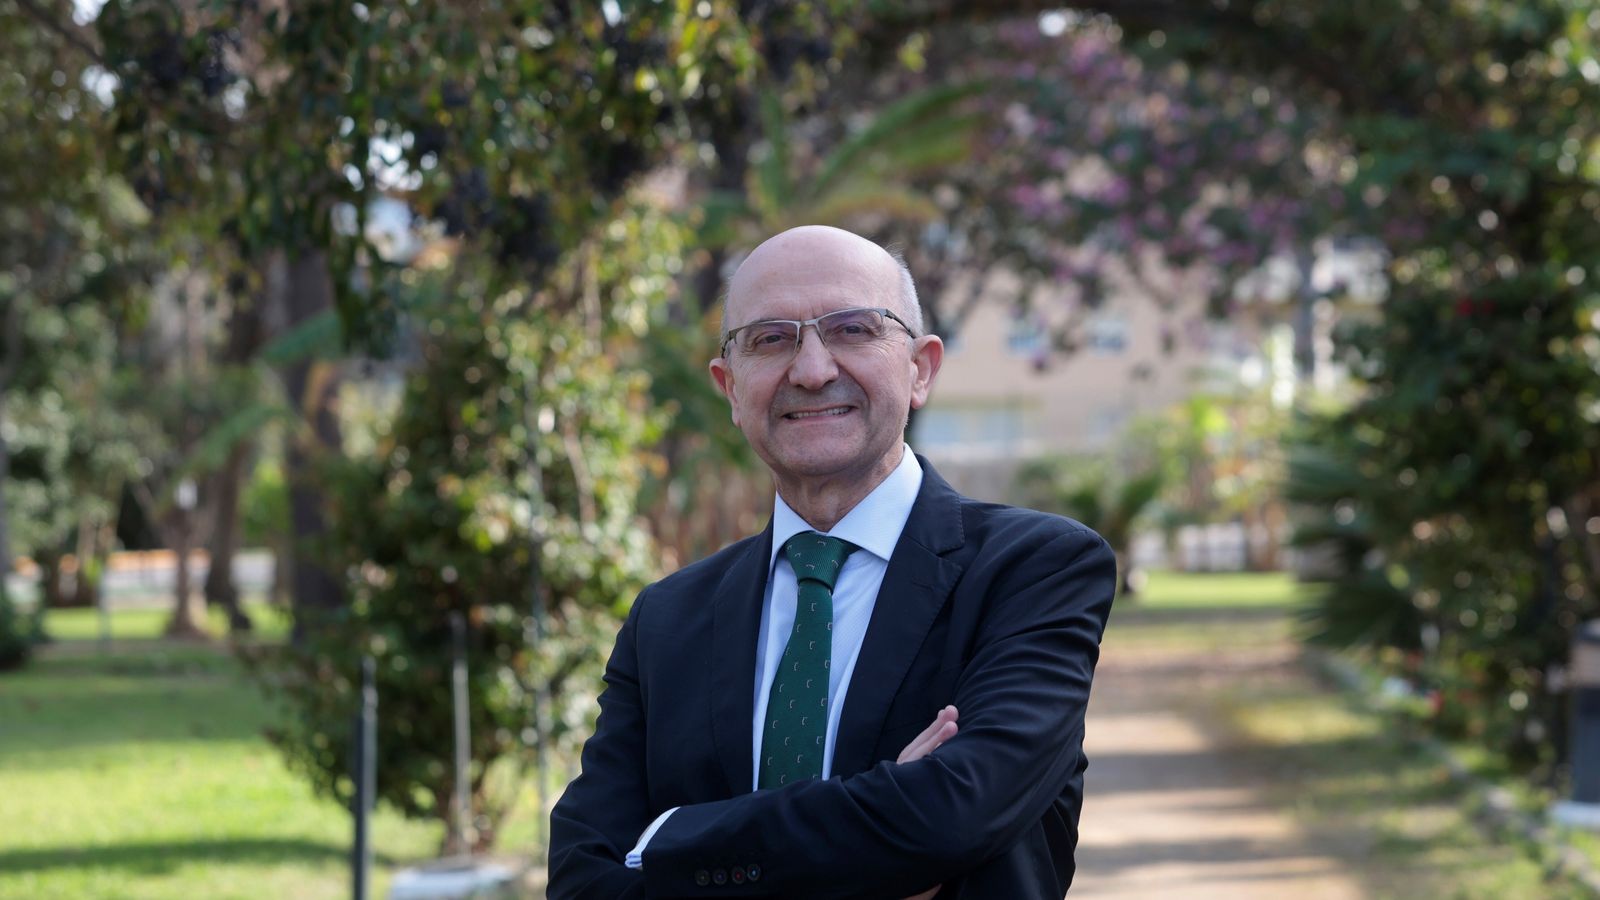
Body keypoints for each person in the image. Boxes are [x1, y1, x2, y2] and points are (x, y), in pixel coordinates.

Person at [548, 225, 1116, 899]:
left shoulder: (1034, 571)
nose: (812, 370)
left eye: (853, 330)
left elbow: (950, 818)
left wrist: (669, 841)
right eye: (771, 338)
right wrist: (883, 844)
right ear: (730, 388)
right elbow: (582, 880)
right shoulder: (666, 620)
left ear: (921, 369)